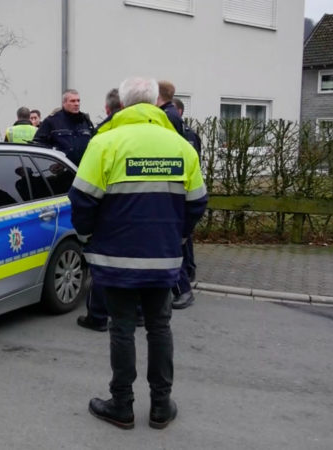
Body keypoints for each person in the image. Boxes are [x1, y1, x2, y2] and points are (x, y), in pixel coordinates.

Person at [69, 77, 207, 430]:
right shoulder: (181, 146)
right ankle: (161, 405)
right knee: (160, 327)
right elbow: (197, 203)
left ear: (124, 104)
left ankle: (122, 404)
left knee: (122, 329)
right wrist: (177, 237)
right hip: (163, 258)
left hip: (115, 259)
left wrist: (87, 239)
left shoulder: (104, 143)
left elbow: (82, 200)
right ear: (155, 102)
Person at [76, 88, 123, 333]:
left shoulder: (100, 136)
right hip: (136, 219)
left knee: (102, 270)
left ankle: (98, 316)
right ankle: (134, 315)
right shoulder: (160, 137)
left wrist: (85, 234)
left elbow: (83, 193)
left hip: (106, 216)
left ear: (107, 109)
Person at [170, 97, 202, 309]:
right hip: (180, 194)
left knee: (182, 239)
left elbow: (195, 164)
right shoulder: (181, 135)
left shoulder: (186, 136)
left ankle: (187, 275)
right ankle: (187, 273)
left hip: (182, 192)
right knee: (181, 239)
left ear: (178, 112)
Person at [33, 89, 94, 166]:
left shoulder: (85, 121)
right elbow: (38, 145)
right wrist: (50, 163)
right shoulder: (52, 121)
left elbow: (93, 144)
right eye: (72, 101)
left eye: (78, 101)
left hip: (83, 170)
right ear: (64, 103)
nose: (77, 104)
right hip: (60, 172)